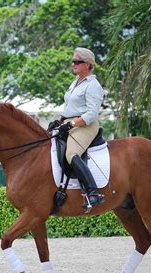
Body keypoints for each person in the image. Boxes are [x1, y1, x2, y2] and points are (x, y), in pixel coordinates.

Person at [52, 47, 105, 209]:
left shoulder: (93, 85)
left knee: (72, 153)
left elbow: (91, 114)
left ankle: (93, 192)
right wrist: (60, 121)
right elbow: (71, 107)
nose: (73, 64)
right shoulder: (75, 82)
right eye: (73, 61)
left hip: (86, 125)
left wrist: (72, 123)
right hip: (69, 123)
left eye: (77, 61)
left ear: (88, 64)